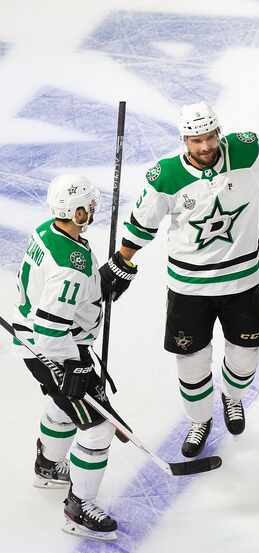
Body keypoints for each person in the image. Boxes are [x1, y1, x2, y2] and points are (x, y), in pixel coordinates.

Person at [100, 98, 259, 457]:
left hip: (242, 280)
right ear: (185, 140)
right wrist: (122, 261)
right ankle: (199, 420)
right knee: (191, 361)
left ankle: (232, 397)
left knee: (245, 358)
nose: (205, 146)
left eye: (210, 137)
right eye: (196, 140)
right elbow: (142, 224)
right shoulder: (166, 175)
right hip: (189, 288)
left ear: (218, 132)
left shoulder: (246, 152)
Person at [14, 175, 119, 540]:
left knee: (63, 407)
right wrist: (75, 366)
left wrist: (101, 284)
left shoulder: (50, 232)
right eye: (88, 205)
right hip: (53, 349)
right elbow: (50, 327)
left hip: (38, 342)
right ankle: (79, 507)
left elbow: (68, 295)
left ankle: (47, 466)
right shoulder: (70, 266)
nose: (92, 209)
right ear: (74, 211)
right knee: (98, 426)